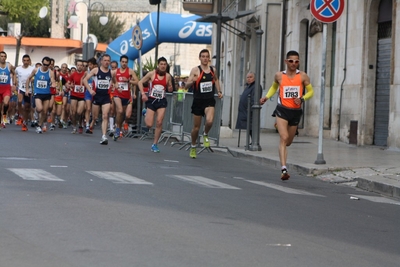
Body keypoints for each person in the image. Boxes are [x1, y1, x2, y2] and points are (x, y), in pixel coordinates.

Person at [260, 50, 314, 180]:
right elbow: (274, 87)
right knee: (283, 138)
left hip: (295, 112)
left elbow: (311, 91)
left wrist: (302, 98)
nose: (293, 64)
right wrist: (266, 97)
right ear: (286, 61)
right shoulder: (279, 76)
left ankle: (282, 128)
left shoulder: (303, 76)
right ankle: (284, 169)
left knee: (288, 142)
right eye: (291, 61)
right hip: (282, 110)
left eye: (296, 61)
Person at [185, 49, 222, 159]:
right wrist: (193, 81)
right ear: (200, 58)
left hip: (209, 100)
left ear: (209, 58)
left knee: (210, 120)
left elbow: (216, 80)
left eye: (207, 56)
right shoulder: (195, 70)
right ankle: (193, 145)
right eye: (203, 56)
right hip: (198, 101)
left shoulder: (212, 70)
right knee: (196, 128)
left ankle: (205, 134)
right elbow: (186, 86)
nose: (205, 58)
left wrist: (219, 91)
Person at [138, 56, 173, 152]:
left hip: (161, 101)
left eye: (164, 64)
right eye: (161, 64)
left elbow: (170, 87)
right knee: (149, 125)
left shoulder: (168, 76)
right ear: (158, 65)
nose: (163, 66)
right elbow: (140, 82)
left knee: (159, 122)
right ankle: (145, 113)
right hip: (152, 100)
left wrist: (170, 88)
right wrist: (143, 94)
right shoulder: (151, 74)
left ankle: (155, 144)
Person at [83, 54, 117, 145]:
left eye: (108, 61)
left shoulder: (112, 72)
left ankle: (104, 136)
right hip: (96, 96)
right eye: (105, 60)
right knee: (95, 117)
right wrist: (90, 90)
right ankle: (91, 124)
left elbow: (115, 81)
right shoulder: (96, 70)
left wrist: (115, 87)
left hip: (106, 97)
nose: (106, 62)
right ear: (101, 61)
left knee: (105, 115)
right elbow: (85, 80)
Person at [26, 56, 57, 133]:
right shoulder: (36, 70)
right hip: (38, 92)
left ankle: (39, 125)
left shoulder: (51, 72)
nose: (45, 66)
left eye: (47, 65)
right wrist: (27, 89)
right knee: (39, 109)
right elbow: (28, 78)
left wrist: (53, 84)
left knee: (45, 112)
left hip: (46, 93)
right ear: (42, 63)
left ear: (49, 65)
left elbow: (53, 80)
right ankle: (36, 114)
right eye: (44, 64)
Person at [112, 55, 138, 141]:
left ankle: (119, 127)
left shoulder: (130, 71)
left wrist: (128, 80)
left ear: (127, 63)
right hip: (117, 94)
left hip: (126, 96)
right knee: (120, 110)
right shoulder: (116, 71)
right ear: (120, 62)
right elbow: (113, 81)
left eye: (125, 62)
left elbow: (137, 81)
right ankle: (118, 130)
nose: (124, 63)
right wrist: (116, 87)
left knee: (123, 114)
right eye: (122, 62)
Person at [235, 71, 262, 143]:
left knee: (251, 126)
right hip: (244, 110)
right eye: (248, 77)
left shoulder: (256, 86)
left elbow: (254, 98)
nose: (249, 79)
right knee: (248, 127)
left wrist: (250, 107)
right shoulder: (248, 86)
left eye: (251, 77)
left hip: (250, 110)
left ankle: (254, 141)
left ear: (255, 78)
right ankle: (252, 141)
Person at [15, 54, 34, 131]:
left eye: (27, 60)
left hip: (29, 90)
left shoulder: (32, 69)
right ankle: (21, 115)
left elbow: (34, 77)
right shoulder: (18, 69)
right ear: (22, 61)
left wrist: (32, 80)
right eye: (24, 60)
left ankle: (25, 122)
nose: (26, 62)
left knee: (27, 107)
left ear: (29, 61)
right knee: (19, 102)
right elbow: (15, 76)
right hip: (20, 88)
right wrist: (15, 83)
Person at [68, 60, 86, 134]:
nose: (79, 67)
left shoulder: (85, 74)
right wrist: (69, 85)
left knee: (79, 112)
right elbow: (68, 83)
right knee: (73, 112)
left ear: (83, 66)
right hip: (74, 95)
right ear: (76, 66)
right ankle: (74, 126)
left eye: (81, 65)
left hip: (82, 95)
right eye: (78, 65)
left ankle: (80, 124)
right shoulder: (73, 74)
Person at [0, 51, 17, 128]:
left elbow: (14, 73)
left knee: (6, 103)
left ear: (6, 57)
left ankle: (4, 115)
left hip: (6, 87)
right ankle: (1, 121)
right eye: (1, 56)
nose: (3, 58)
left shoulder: (9, 66)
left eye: (4, 56)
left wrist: (14, 83)